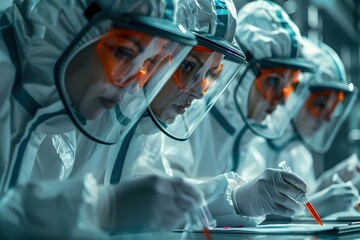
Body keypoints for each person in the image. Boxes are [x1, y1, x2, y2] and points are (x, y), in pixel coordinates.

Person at [0, 0, 204, 237]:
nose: (133, 89)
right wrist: (99, 209)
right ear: (67, 25)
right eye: (125, 53)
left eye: (148, 63)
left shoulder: (55, 116)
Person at [122, 0, 315, 227]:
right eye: (187, 66)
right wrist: (235, 198)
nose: (200, 92)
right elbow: (161, 198)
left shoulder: (154, 131)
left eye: (211, 73)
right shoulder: (179, 123)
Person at [238, 38, 359, 217]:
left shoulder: (300, 155)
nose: (326, 118)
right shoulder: (253, 143)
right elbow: (246, 216)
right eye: (320, 103)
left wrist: (325, 185)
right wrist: (314, 209)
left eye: (334, 107)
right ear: (297, 95)